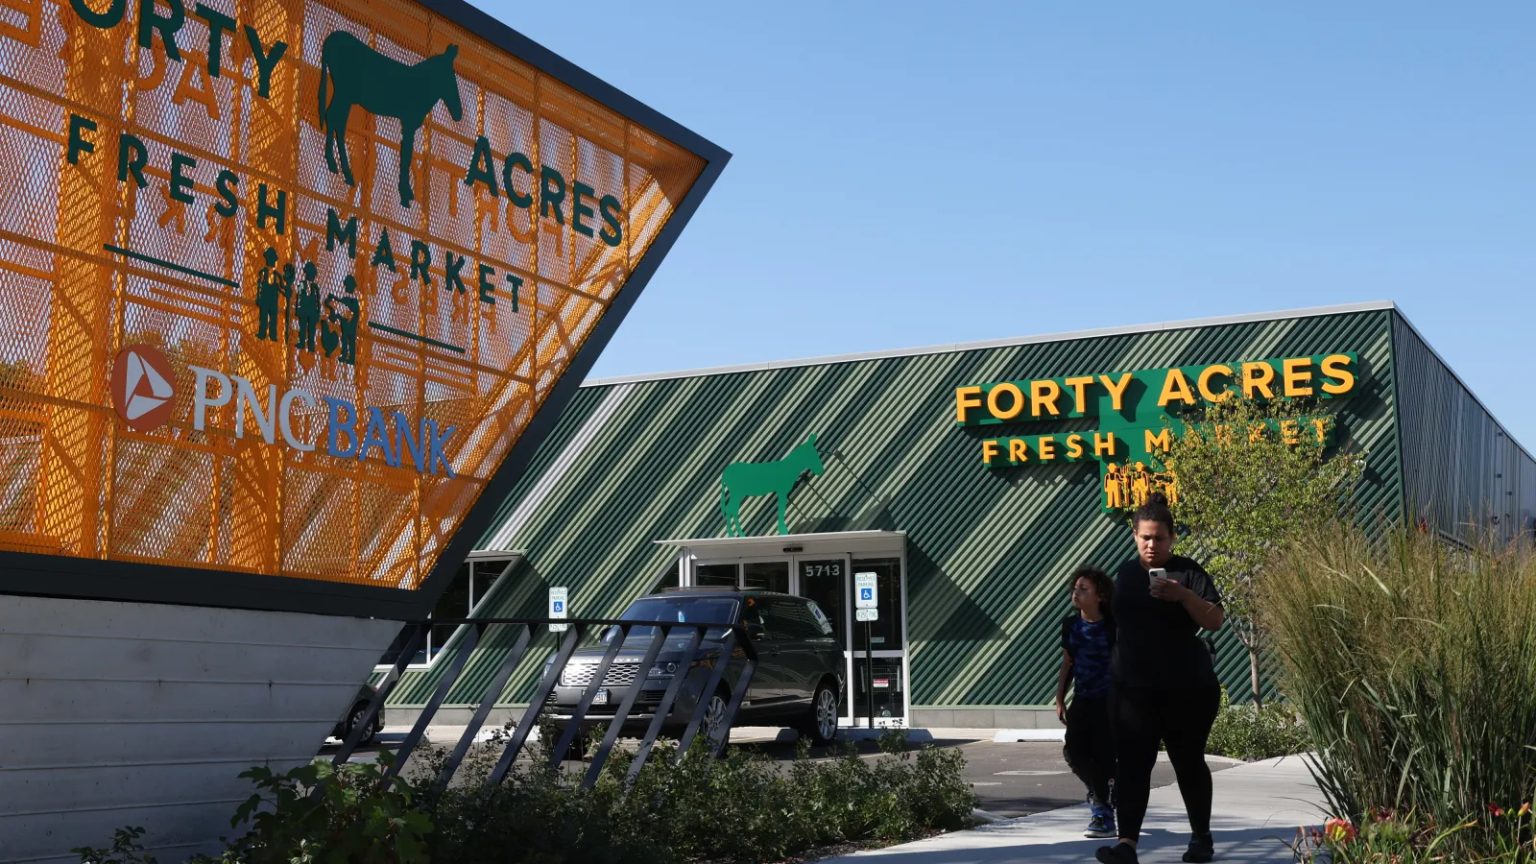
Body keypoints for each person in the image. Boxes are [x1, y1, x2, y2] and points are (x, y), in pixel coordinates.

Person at [1096, 492, 1225, 864]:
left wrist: (1182, 595)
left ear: (1172, 538)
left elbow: (1215, 620)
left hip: (1186, 690)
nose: (1151, 545)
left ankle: (1201, 838)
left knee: (1188, 762)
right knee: (1132, 766)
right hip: (1133, 692)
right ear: (1134, 536)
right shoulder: (1125, 574)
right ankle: (1126, 845)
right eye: (1145, 537)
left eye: (1159, 538)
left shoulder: (1189, 572)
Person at [1055, 566, 1117, 838]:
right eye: (1075, 588)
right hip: (1082, 698)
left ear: (1100, 596)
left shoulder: (1114, 625)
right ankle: (1100, 792)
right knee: (1073, 751)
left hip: (1110, 700)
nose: (1076, 593)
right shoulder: (1071, 625)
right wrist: (1060, 697)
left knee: (1103, 754)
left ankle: (1103, 813)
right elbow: (1068, 662)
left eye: (1083, 589)